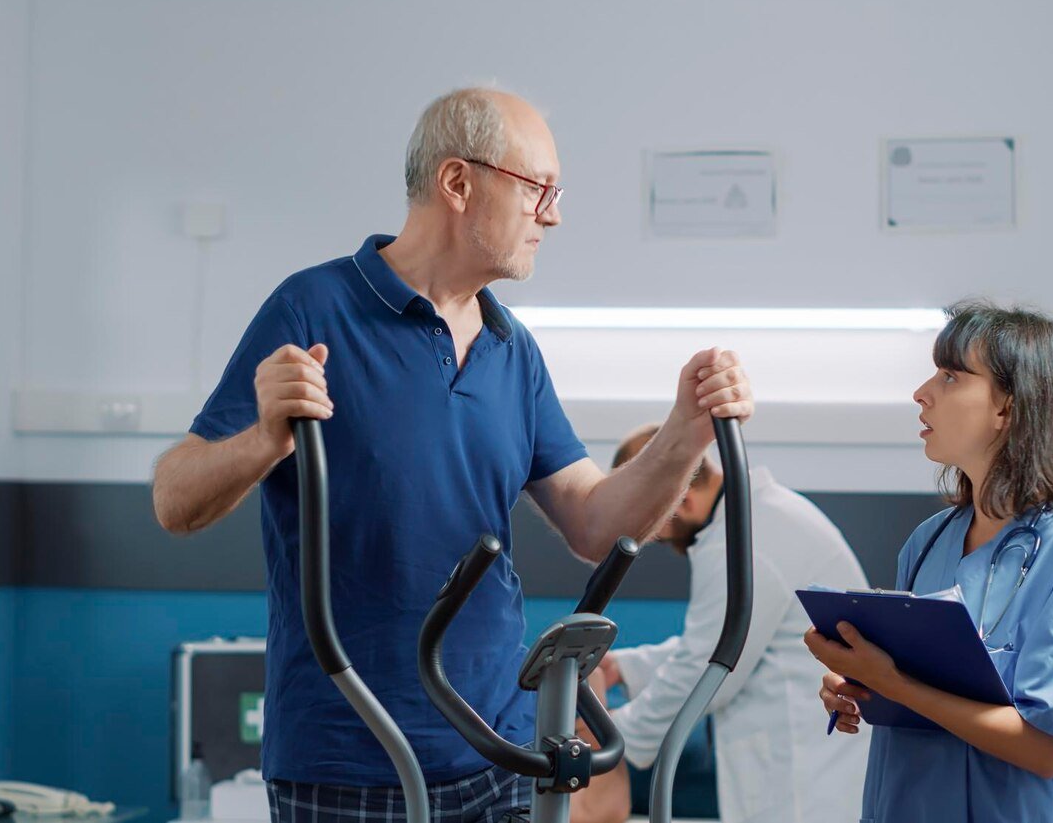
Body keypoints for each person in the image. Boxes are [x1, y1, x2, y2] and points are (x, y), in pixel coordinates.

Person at [150, 87, 755, 823]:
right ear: (459, 183)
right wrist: (264, 437)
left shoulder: (513, 351)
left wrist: (686, 430)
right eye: (538, 188)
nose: (554, 214)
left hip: (496, 752)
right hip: (348, 756)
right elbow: (174, 500)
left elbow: (596, 523)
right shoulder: (313, 308)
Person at [805, 300, 1053, 822]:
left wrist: (893, 683)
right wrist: (861, 688)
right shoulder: (929, 542)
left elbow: (1047, 751)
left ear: (1009, 408)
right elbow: (916, 689)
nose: (922, 393)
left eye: (951, 377)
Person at [569, 424, 870, 823]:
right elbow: (725, 641)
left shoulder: (745, 541)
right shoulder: (758, 520)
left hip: (803, 773)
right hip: (799, 756)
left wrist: (608, 739)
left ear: (685, 500)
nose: (653, 536)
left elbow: (708, 671)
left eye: (655, 525)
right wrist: (625, 667)